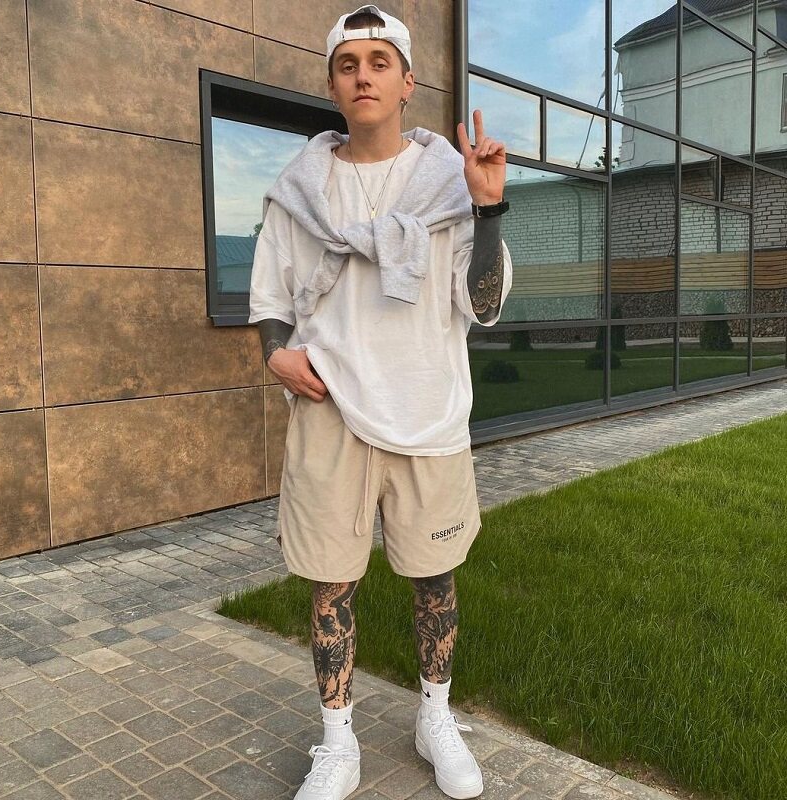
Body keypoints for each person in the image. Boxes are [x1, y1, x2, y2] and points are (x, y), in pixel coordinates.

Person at [248, 5, 512, 798]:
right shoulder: (298, 193)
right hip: (331, 412)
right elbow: (271, 297)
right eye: (347, 64)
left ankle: (435, 718)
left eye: (378, 62)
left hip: (428, 411)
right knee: (331, 584)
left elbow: (484, 304)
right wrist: (275, 352)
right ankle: (338, 743)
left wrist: (489, 209)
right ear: (333, 86)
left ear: (407, 83)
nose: (362, 75)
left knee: (434, 579)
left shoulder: (449, 187)